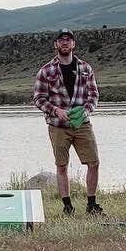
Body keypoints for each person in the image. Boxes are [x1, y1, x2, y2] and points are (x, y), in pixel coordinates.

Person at [32, 29, 103, 216]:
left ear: (73, 44)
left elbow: (94, 95)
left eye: (68, 40)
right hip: (57, 126)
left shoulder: (86, 68)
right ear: (56, 44)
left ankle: (92, 204)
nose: (65, 43)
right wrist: (57, 111)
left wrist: (84, 112)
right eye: (61, 40)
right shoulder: (46, 71)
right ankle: (67, 206)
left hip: (82, 125)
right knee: (61, 165)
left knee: (94, 163)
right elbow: (39, 98)